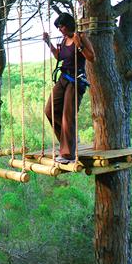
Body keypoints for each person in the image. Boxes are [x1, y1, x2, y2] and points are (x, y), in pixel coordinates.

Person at [43, 13, 95, 164]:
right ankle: (68, 141)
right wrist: (49, 43)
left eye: (62, 26)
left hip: (75, 81)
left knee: (68, 116)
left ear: (69, 25)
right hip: (63, 78)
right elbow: (59, 56)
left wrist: (80, 46)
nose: (60, 29)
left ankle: (67, 154)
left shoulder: (81, 37)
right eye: (58, 27)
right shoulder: (64, 39)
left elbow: (92, 57)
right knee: (50, 110)